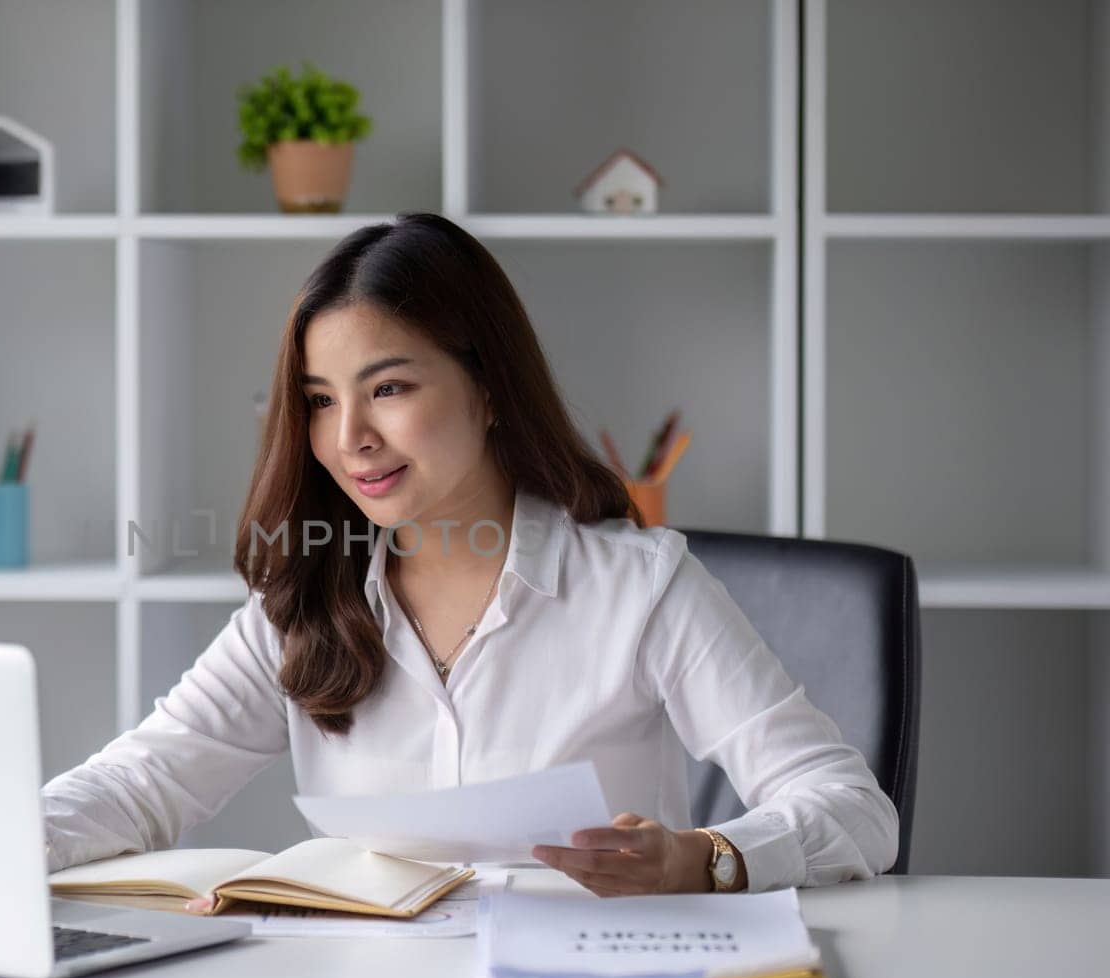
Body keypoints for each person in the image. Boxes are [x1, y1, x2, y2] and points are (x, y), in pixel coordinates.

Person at [43, 212, 898, 899]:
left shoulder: (640, 587)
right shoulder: (304, 600)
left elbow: (854, 810)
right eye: (318, 400)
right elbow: (139, 782)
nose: (349, 440)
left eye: (388, 389)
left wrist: (700, 857)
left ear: (488, 388)